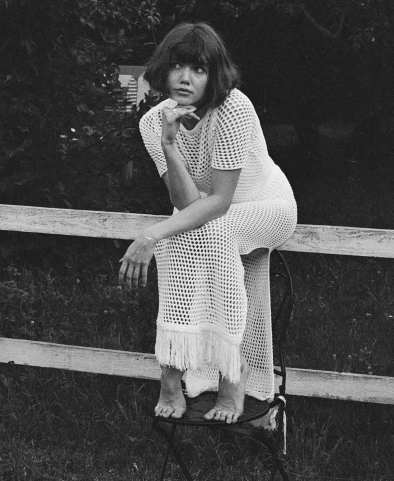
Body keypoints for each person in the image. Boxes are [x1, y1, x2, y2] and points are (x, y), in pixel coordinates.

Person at [119, 22, 297, 424]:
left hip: (267, 205)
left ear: (213, 74)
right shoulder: (153, 122)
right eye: (178, 66)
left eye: (199, 69)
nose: (185, 78)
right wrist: (169, 144)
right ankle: (173, 373)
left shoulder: (233, 108)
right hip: (212, 214)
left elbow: (217, 202)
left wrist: (150, 235)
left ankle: (231, 380)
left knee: (193, 233)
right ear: (163, 69)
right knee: (180, 237)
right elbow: (185, 204)